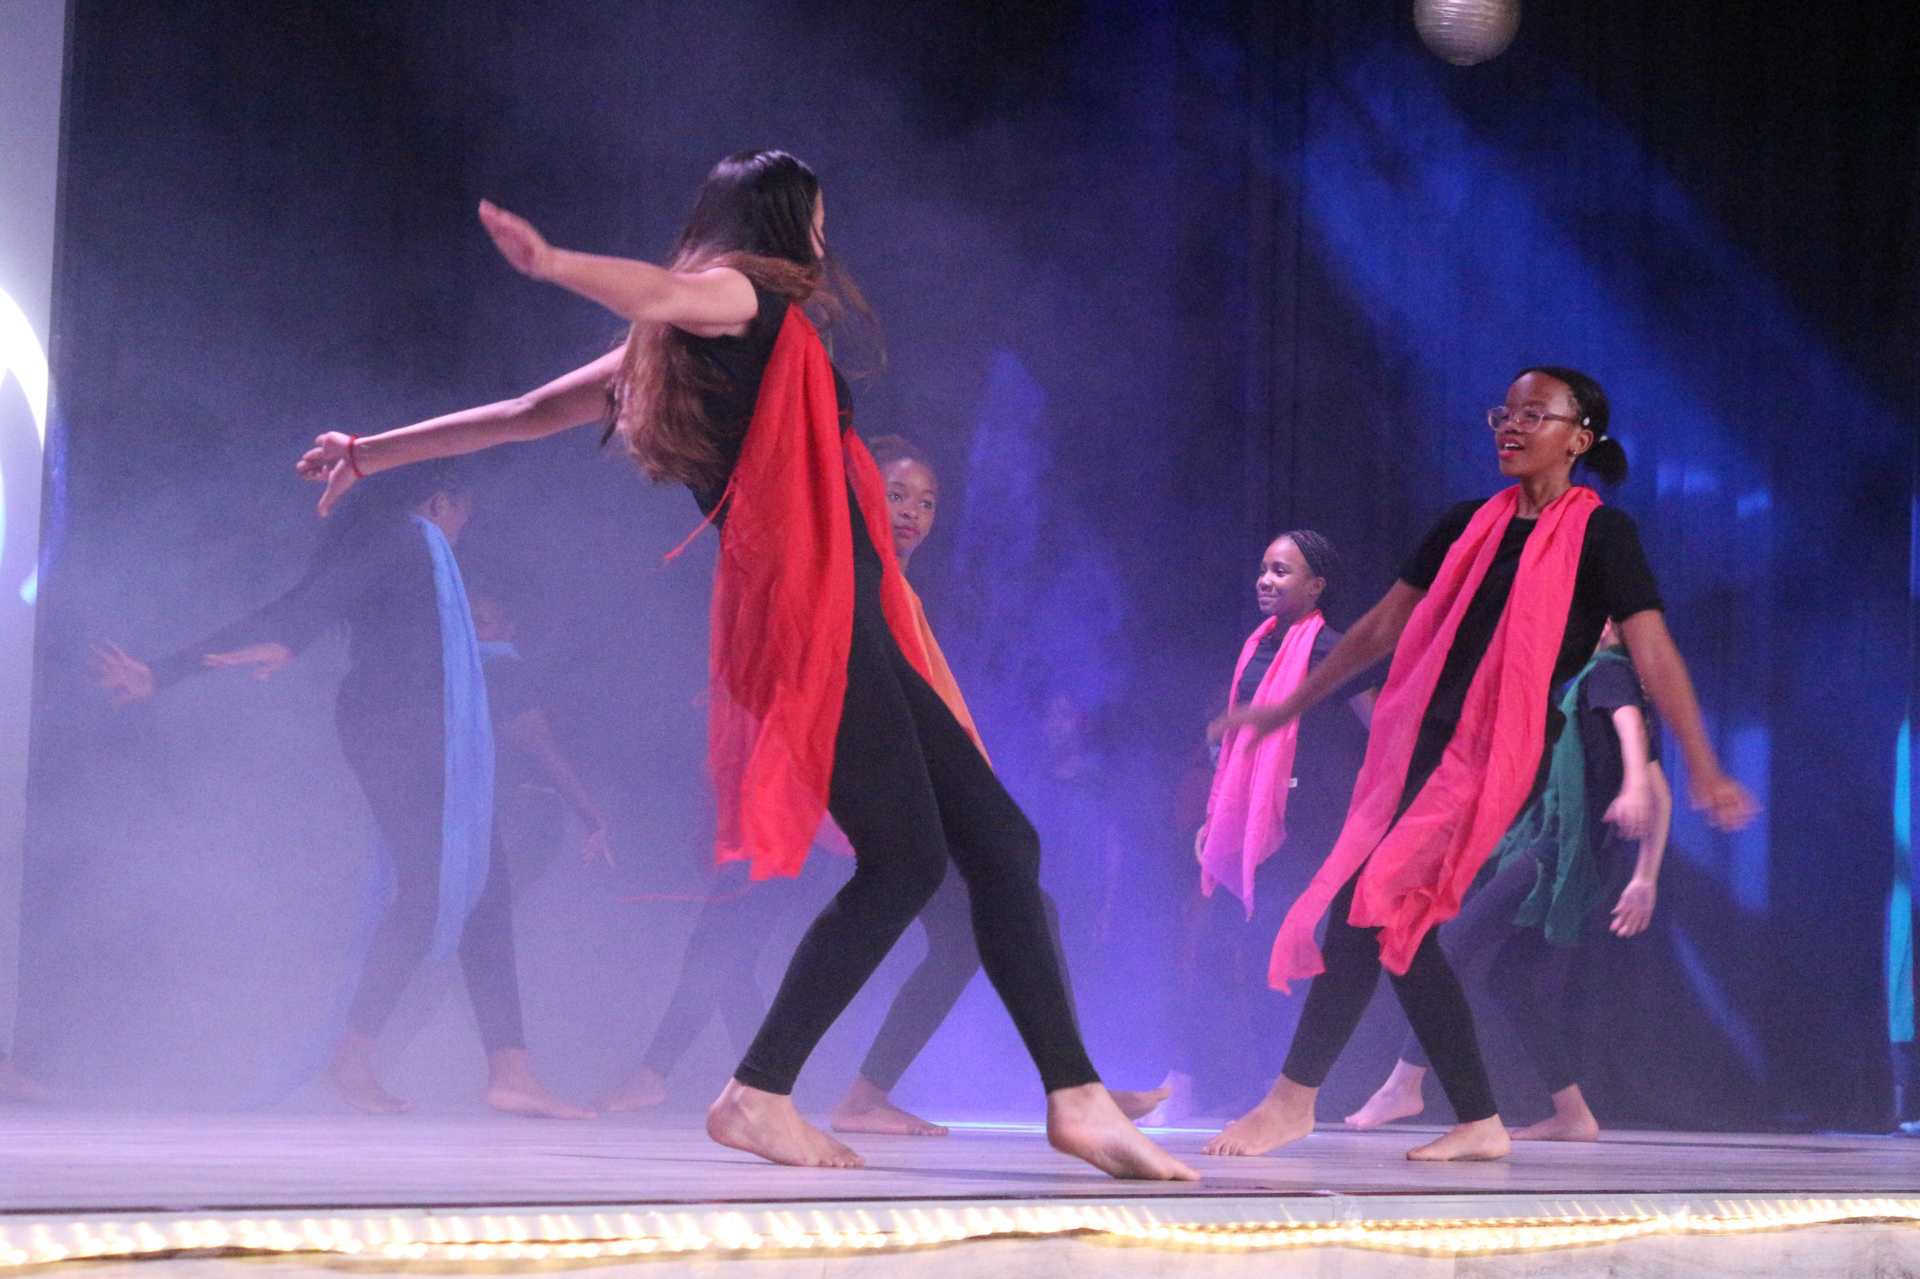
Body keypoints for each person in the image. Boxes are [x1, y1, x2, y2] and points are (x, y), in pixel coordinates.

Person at [291, 151, 1193, 1179]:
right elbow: (662, 291)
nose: (826, 236)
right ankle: (762, 1093)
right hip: (821, 624)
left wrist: (370, 450)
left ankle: (1073, 1095)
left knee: (996, 842)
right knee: (908, 862)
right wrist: (555, 263)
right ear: (783, 221)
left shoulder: (662, 356)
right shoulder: (744, 297)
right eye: (819, 217)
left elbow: (526, 413)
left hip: (845, 620)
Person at [1204, 366, 1757, 1162]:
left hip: (1493, 755)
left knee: (1369, 905)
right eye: (1507, 411)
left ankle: (1296, 1098)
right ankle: (1475, 1117)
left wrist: (1703, 765)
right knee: (1390, 923)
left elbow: (1652, 649)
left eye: (1537, 414)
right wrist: (1290, 703)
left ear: (1580, 437)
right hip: (1417, 742)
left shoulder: (1603, 535)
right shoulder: (1467, 523)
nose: (1513, 425)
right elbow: (1380, 629)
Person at [91, 463, 592, 1119]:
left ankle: (487, 1067)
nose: (463, 528)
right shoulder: (406, 538)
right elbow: (309, 603)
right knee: (450, 886)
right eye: (464, 512)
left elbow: (312, 605)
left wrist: (267, 643)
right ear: (441, 500)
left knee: (471, 885)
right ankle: (398, 1061)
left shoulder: (406, 546)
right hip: (402, 727)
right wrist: (175, 669)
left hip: (411, 724)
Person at [827, 435, 1167, 1136]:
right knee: (1022, 907)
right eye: (896, 495)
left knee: (961, 943)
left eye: (927, 501)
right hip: (881, 793)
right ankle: (1077, 1087)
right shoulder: (862, 581)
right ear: (861, 492)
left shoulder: (898, 587)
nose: (912, 512)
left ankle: (861, 1097)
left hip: (911, 790)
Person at [1345, 620, 1673, 1140]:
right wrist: (1644, 877)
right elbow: (1664, 794)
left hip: (1559, 855)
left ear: (1610, 626)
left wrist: (1632, 787)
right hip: (1577, 856)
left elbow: (1632, 735)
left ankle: (1404, 1084)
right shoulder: (1608, 680)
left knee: (1449, 947)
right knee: (1516, 985)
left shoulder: (1607, 672)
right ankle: (1574, 1115)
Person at [1163, 530, 1376, 1119]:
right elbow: (1238, 745)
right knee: (1211, 950)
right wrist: (1217, 817)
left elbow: (1382, 726)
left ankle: (1275, 1093)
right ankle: (1188, 1083)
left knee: (1273, 960)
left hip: (1302, 826)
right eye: (1263, 568)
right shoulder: (1257, 645)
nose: (1265, 580)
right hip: (1243, 825)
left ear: (1316, 586)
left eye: (1281, 571)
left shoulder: (1331, 648)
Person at [468, 590, 612, 879]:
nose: (471, 630)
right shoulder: (469, 671)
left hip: (517, 813)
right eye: (465, 621)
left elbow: (543, 749)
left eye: (482, 622)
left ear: (508, 630)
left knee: (488, 900)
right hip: (497, 812)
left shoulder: (502, 671)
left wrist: (594, 819)